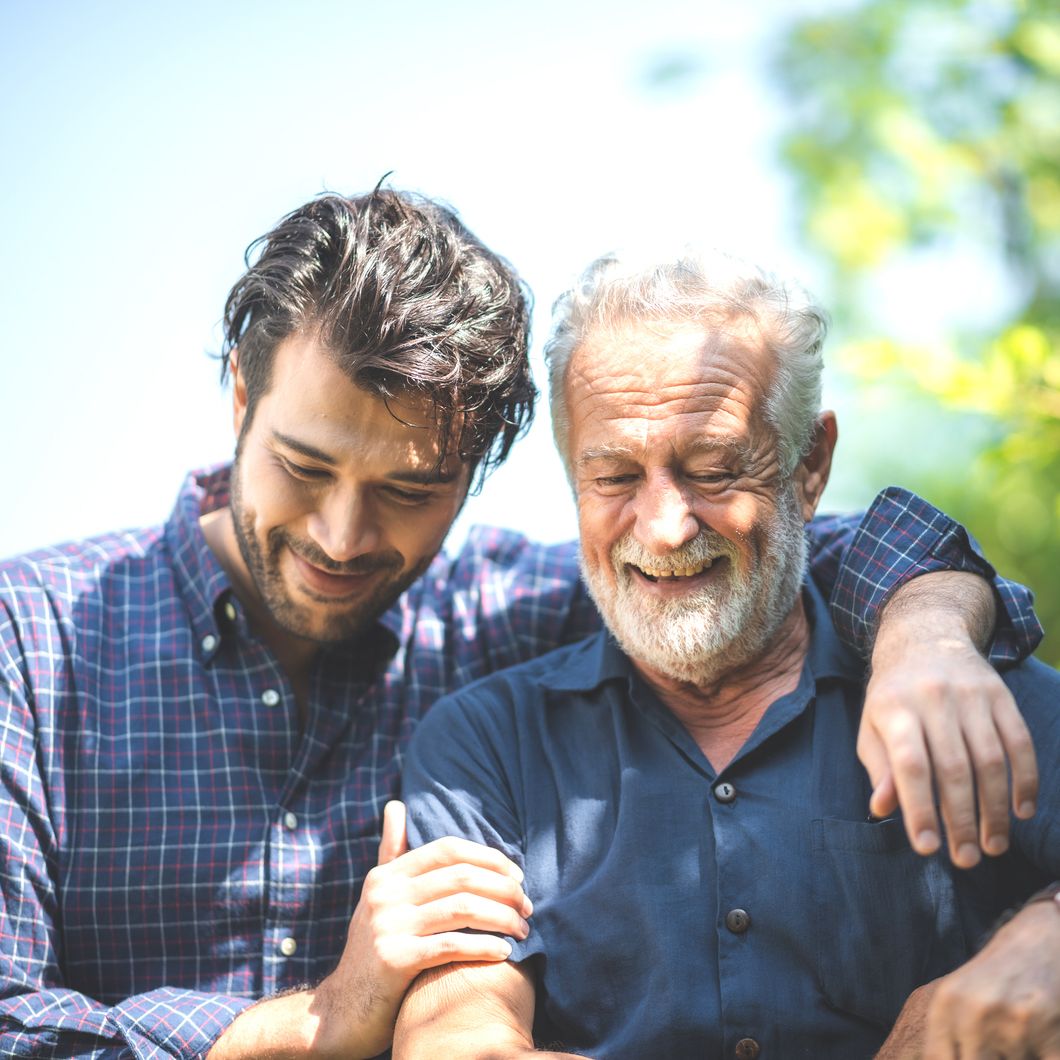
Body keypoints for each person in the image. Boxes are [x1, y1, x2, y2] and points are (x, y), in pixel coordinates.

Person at [0, 189, 1042, 1060]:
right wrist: (316, 1018)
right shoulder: (30, 642)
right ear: (240, 397)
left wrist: (925, 629)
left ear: (478, 477)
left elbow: (770, 554)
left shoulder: (511, 612)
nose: (342, 533)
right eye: (303, 465)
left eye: (409, 488)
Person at [395, 246, 1060, 1058]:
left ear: (810, 466)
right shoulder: (487, 745)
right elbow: (459, 1042)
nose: (664, 527)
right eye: (612, 477)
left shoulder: (946, 682)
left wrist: (1047, 938)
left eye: (713, 469)